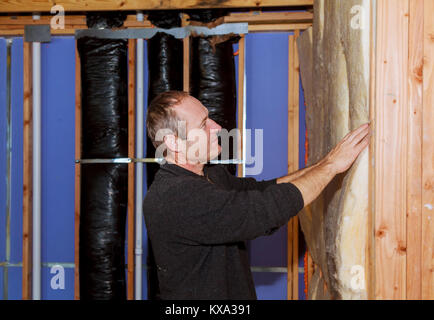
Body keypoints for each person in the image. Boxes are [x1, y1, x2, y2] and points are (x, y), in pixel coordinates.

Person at [143, 90, 370, 300]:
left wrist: (325, 163)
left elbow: (263, 190)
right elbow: (263, 210)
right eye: (203, 125)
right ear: (173, 142)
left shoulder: (211, 176)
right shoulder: (175, 197)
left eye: (209, 118)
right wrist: (331, 167)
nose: (217, 127)